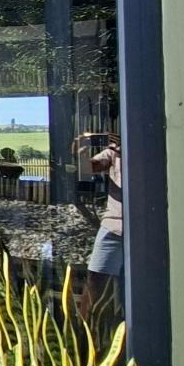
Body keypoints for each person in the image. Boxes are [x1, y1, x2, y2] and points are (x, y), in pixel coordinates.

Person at [82, 133, 122, 318]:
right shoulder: (114, 152)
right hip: (114, 228)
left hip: (146, 230)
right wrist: (82, 147)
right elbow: (86, 169)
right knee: (95, 283)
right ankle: (86, 332)